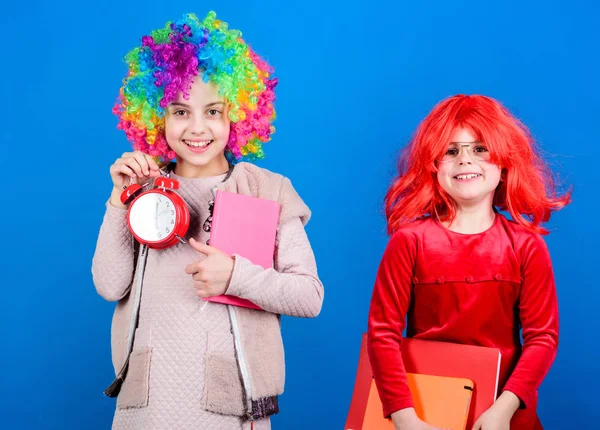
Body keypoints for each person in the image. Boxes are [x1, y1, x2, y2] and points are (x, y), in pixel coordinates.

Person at [92, 11, 324, 429]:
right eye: (180, 111)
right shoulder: (145, 188)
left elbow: (309, 296)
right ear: (156, 117)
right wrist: (117, 200)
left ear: (236, 114)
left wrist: (237, 276)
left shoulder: (266, 190)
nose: (197, 128)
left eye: (213, 111)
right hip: (146, 404)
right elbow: (110, 285)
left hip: (228, 405)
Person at [367, 94, 570, 430]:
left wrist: (503, 410)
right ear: (433, 164)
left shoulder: (526, 246)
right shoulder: (410, 242)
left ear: (504, 162)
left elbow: (542, 338)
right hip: (425, 412)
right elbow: (382, 335)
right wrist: (405, 418)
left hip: (502, 414)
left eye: (479, 148)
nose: (465, 160)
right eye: (451, 151)